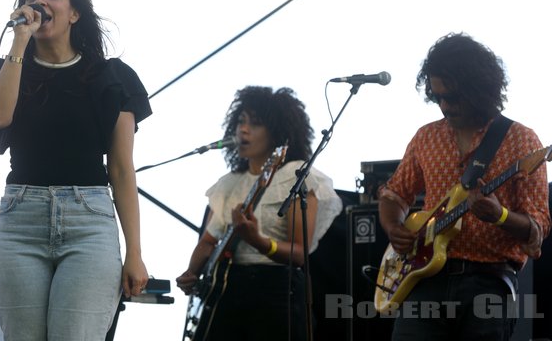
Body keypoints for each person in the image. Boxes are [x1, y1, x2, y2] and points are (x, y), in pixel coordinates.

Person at [0, 0, 152, 340]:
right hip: (21, 221)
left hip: (89, 222)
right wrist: (19, 43)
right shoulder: (6, 71)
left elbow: (122, 169)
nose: (39, 3)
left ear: (74, 13)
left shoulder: (111, 77)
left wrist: (135, 252)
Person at [378, 32, 550, 340]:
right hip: (424, 280)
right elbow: (393, 194)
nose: (444, 105)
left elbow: (537, 227)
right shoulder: (426, 137)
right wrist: (394, 227)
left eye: (453, 97)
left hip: (487, 284)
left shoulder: (521, 140)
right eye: (437, 96)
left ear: (479, 90)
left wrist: (499, 215)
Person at [176, 86, 342, 341]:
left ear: (277, 132)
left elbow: (300, 253)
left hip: (275, 293)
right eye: (241, 121)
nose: (243, 129)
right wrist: (192, 273)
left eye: (255, 124)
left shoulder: (296, 176)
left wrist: (258, 241)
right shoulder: (229, 183)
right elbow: (209, 242)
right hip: (226, 291)